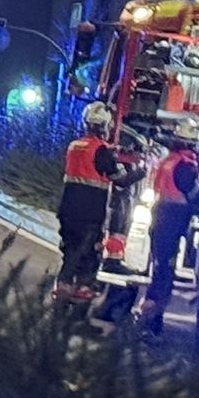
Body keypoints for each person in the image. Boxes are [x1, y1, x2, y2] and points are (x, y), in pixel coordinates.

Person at [138, 117, 199, 334]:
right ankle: (150, 323)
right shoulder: (185, 166)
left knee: (159, 271)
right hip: (171, 222)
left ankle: (148, 320)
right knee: (163, 277)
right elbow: (191, 196)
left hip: (161, 218)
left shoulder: (169, 160)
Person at [55, 102, 127, 303]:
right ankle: (78, 292)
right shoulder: (101, 150)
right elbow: (119, 179)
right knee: (86, 255)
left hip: (67, 209)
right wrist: (141, 171)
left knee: (70, 251)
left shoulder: (74, 146)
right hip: (90, 213)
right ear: (105, 126)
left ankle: (64, 289)